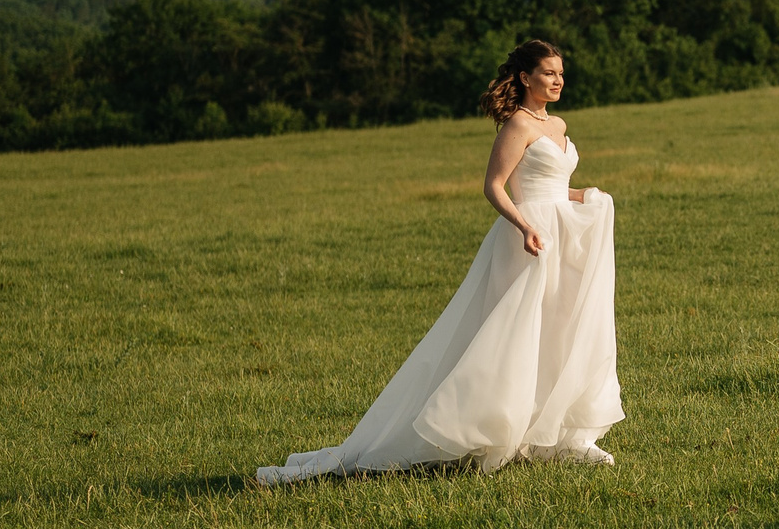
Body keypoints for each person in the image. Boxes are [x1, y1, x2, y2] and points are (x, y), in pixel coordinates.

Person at [256, 38, 624, 485]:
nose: (558, 80)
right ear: (526, 78)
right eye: (549, 73)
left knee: (561, 329)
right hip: (529, 239)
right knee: (515, 332)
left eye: (561, 73)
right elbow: (496, 186)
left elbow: (549, 185)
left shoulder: (560, 125)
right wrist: (524, 226)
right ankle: (485, 428)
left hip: (562, 235)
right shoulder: (517, 126)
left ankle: (559, 435)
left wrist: (583, 196)